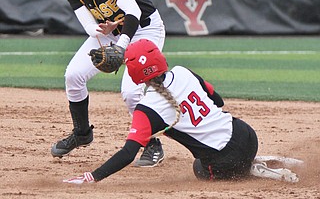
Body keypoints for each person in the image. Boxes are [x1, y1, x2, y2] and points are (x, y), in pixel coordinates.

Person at [62, 39, 261, 184]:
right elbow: (217, 101)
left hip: (226, 161)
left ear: (134, 74)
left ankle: (247, 169)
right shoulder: (183, 71)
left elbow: (128, 153)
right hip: (247, 135)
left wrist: (93, 176)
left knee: (199, 169)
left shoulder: (147, 109)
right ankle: (251, 160)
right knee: (224, 148)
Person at [48, 0, 165, 167]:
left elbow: (135, 12)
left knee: (131, 92)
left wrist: (121, 46)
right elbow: (89, 26)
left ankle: (152, 144)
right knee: (73, 75)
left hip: (144, 30)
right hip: (112, 32)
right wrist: (103, 30)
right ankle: (82, 133)